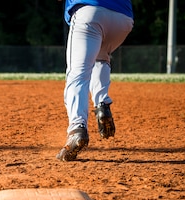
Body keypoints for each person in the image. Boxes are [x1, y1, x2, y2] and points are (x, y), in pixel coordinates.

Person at [56, 0, 134, 161]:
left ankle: (77, 130)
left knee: (77, 74)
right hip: (123, 19)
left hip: (89, 12)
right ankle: (102, 105)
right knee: (101, 56)